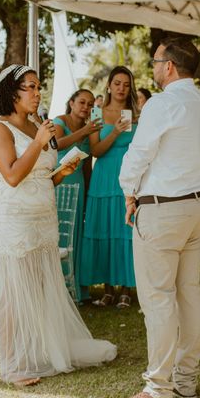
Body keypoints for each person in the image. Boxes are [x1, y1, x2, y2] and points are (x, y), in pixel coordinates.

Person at [0, 64, 116, 387]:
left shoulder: (36, 126)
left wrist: (62, 172)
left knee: (41, 288)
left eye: (38, 86)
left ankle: (39, 351)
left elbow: (43, 176)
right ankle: (13, 365)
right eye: (30, 87)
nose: (37, 92)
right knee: (15, 293)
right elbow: (13, 175)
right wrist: (39, 141)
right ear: (11, 94)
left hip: (43, 217)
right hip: (13, 220)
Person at [116, 38, 200, 398]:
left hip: (163, 209)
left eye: (156, 62)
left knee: (159, 300)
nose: (154, 68)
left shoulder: (162, 103)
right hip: (196, 206)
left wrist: (128, 191)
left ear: (170, 66)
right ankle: (186, 380)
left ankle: (159, 387)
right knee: (189, 294)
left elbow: (139, 153)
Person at [81, 66, 137, 308]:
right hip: (104, 175)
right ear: (109, 86)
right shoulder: (97, 112)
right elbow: (95, 151)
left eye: (126, 84)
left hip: (128, 176)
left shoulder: (137, 113)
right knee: (103, 228)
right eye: (117, 83)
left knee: (125, 231)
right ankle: (107, 288)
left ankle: (126, 288)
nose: (121, 88)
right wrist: (115, 131)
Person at [53, 88, 101, 302]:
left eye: (90, 104)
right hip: (59, 181)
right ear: (71, 103)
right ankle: (56, 287)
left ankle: (75, 288)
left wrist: (89, 191)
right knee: (57, 235)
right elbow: (56, 144)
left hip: (78, 184)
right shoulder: (59, 122)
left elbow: (88, 163)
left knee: (75, 235)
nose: (86, 107)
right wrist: (84, 132)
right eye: (82, 102)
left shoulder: (90, 129)